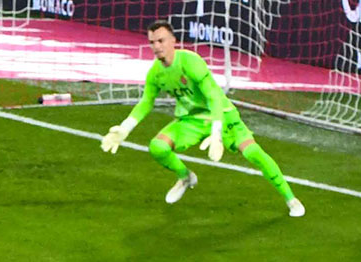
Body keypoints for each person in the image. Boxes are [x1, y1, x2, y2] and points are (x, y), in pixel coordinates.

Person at [100, 21, 304, 215]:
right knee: (157, 147)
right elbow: (146, 102)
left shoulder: (190, 62)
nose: (157, 46)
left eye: (161, 41)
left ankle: (291, 199)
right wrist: (125, 128)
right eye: (152, 42)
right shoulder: (155, 73)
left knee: (253, 153)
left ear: (173, 41)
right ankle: (185, 177)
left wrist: (216, 132)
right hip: (191, 120)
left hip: (222, 115)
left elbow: (214, 97)